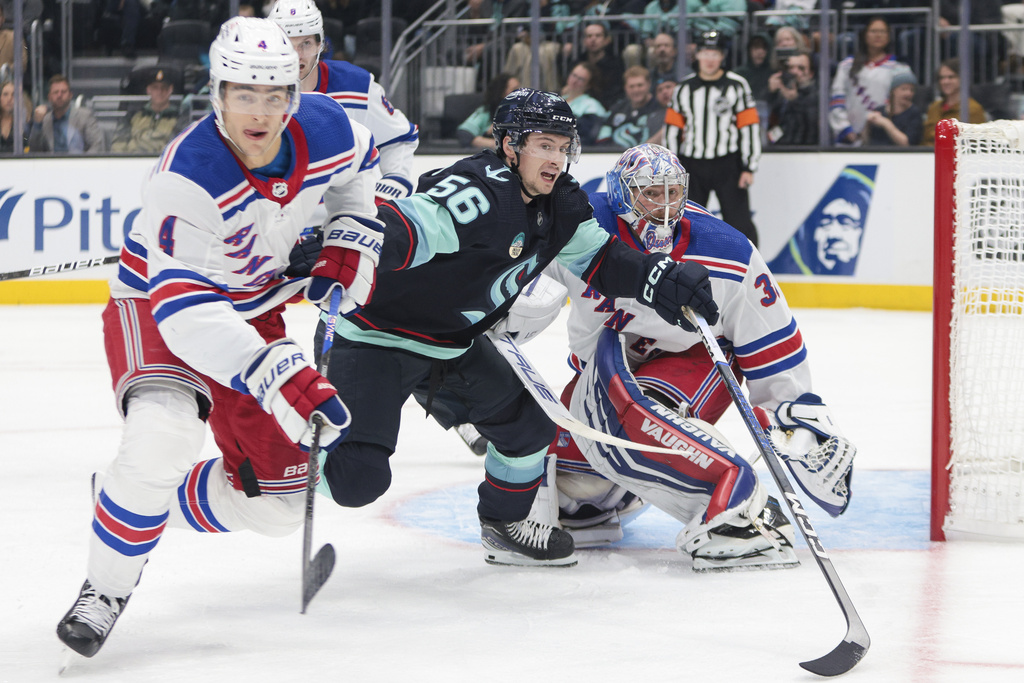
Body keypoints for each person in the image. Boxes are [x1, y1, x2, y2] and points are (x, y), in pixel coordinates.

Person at [55, 16, 383, 660]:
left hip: (255, 310)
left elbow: (363, 170)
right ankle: (107, 585)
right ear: (217, 94)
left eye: (274, 95)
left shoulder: (327, 126)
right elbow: (185, 314)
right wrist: (274, 370)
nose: (259, 113)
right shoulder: (188, 175)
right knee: (163, 437)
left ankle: (133, 498)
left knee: (279, 506)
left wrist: (349, 235)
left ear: (294, 94)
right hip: (157, 307)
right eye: (244, 95)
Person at [313, 88, 721, 569]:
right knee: (357, 480)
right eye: (544, 145)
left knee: (529, 431)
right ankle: (282, 455)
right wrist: (352, 246)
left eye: (563, 146)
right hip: (376, 337)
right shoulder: (478, 190)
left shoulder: (560, 206)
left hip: (452, 345)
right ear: (510, 145)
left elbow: (603, 260)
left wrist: (661, 279)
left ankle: (504, 526)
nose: (557, 157)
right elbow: (410, 226)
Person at [534, 143, 857, 570]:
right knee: (571, 490)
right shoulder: (583, 224)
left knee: (635, 419)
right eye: (650, 193)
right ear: (620, 194)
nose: (664, 207)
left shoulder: (726, 249)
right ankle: (616, 495)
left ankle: (743, 510)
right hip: (605, 371)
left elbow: (772, 344)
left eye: (672, 193)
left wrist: (795, 417)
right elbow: (526, 288)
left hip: (692, 363)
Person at [269, 0, 419, 204]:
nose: (297, 56)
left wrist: (390, 187)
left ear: (320, 44)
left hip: (343, 217)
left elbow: (399, 138)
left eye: (306, 44)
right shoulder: (254, 94)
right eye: (287, 44)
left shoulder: (355, 84)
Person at [665, 30, 760, 246]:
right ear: (697, 55)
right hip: (692, 165)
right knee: (689, 221)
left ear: (723, 57)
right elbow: (672, 129)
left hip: (728, 164)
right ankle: (691, 266)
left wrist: (749, 166)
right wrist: (672, 168)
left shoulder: (737, 85)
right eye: (705, 52)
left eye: (715, 53)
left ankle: (751, 268)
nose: (710, 59)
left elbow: (749, 127)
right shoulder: (684, 88)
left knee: (739, 222)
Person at [829, 16, 913, 145]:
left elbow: (904, 104)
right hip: (850, 136)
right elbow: (837, 99)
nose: (878, 35)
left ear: (889, 36)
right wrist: (845, 129)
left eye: (882, 31)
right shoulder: (847, 66)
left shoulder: (899, 68)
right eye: (873, 31)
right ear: (865, 34)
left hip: (883, 138)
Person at [110, 67, 191, 154]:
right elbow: (118, 142)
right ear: (148, 90)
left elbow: (178, 147)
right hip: (131, 162)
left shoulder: (180, 119)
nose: (159, 92)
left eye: (164, 88)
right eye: (155, 88)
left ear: (170, 90)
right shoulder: (133, 116)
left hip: (162, 164)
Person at [29, 75, 106, 153]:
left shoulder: (85, 116)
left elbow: (97, 146)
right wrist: (37, 124)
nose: (59, 95)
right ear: (49, 97)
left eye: (63, 92)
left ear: (70, 95)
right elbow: (34, 150)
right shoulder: (44, 120)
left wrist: (82, 163)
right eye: (56, 92)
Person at [921, 58, 987, 147]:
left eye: (951, 77)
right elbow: (925, 137)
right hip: (926, 155)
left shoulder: (973, 108)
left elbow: (975, 143)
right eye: (942, 78)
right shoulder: (934, 107)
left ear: (962, 79)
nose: (945, 81)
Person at [596, 66, 663, 149]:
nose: (636, 90)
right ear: (625, 88)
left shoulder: (659, 108)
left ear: (649, 84)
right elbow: (602, 140)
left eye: (640, 85)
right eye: (631, 86)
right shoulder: (617, 109)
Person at [566, 20, 625, 110]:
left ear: (607, 40)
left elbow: (615, 93)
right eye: (589, 36)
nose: (593, 39)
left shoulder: (615, 65)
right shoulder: (577, 63)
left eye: (598, 36)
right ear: (584, 41)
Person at [765, 49, 818, 146]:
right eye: (791, 67)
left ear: (811, 73)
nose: (795, 72)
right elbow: (773, 127)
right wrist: (771, 94)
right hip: (781, 151)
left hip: (806, 152)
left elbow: (811, 128)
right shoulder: (783, 95)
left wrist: (795, 101)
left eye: (801, 68)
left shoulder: (817, 95)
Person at [456, 72, 521, 149]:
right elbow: (465, 134)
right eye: (514, 89)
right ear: (502, 92)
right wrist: (496, 144)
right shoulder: (486, 112)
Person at [863, 70, 922, 146]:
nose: (908, 93)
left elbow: (907, 143)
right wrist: (867, 124)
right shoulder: (879, 111)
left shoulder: (914, 113)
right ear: (893, 91)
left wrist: (886, 124)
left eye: (912, 90)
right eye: (904, 89)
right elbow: (865, 141)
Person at [560, 61, 608, 144]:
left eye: (581, 79)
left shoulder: (592, 105)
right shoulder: (558, 100)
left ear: (588, 85)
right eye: (574, 75)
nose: (574, 81)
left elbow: (587, 135)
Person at [734, 33, 772, 102]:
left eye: (764, 48)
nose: (760, 52)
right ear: (749, 50)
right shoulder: (738, 74)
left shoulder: (773, 73)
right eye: (756, 47)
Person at [0, 78, 30, 153]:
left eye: (13, 95)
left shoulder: (25, 121)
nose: (9, 99)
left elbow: (29, 145)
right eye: (5, 94)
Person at [0, 4, 28, 76]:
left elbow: (22, 63)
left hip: (7, 84)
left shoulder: (14, 37)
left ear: (3, 19)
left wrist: (4, 72)